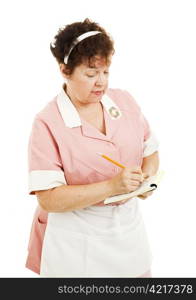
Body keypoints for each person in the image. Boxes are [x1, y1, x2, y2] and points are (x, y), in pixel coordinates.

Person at [25, 18, 159, 277]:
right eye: (90, 73)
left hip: (129, 238)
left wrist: (147, 180)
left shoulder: (124, 101)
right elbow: (48, 198)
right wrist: (111, 186)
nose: (101, 82)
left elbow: (150, 151)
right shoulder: (47, 122)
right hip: (76, 245)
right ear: (65, 70)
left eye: (105, 72)